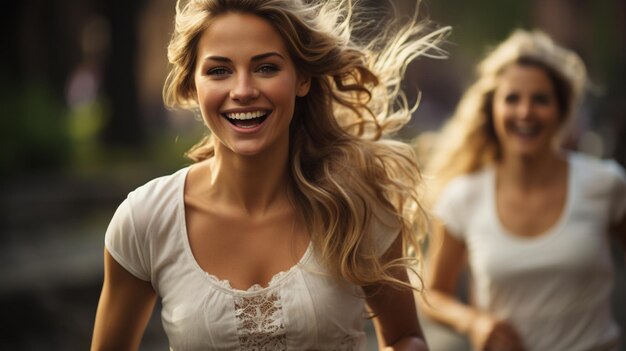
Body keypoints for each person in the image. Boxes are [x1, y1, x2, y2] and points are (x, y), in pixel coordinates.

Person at [91, 0, 450, 350]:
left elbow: (406, 337)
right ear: (191, 84)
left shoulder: (357, 204)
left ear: (302, 78)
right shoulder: (145, 219)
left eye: (266, 68)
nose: (243, 90)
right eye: (219, 70)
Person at [420, 29, 626, 351]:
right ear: (492, 110)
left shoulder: (605, 185)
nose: (525, 112)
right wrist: (473, 322)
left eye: (540, 99)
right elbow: (433, 294)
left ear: (561, 110)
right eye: (512, 98)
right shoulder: (463, 197)